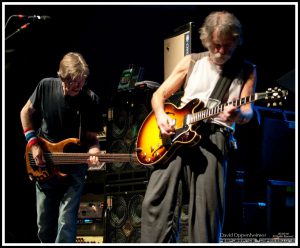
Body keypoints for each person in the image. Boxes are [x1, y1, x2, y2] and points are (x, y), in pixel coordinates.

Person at [141, 10, 257, 243]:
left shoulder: (246, 70)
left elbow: (248, 111)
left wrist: (237, 115)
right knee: (154, 201)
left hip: (215, 137)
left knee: (207, 212)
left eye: (227, 46)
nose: (222, 51)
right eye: (216, 45)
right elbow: (158, 95)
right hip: (177, 134)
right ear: (206, 40)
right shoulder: (192, 61)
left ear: (236, 41)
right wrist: (162, 115)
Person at [20, 52, 103, 243]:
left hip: (74, 168)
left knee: (66, 222)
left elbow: (92, 140)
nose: (79, 86)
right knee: (44, 225)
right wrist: (33, 144)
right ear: (62, 77)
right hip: (44, 164)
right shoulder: (45, 86)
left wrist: (94, 152)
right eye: (74, 81)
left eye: (82, 81)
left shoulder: (90, 99)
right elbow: (25, 112)